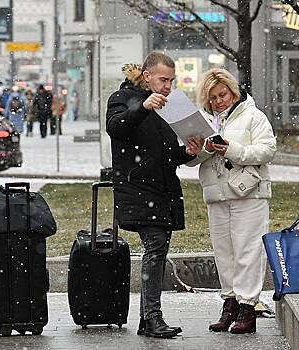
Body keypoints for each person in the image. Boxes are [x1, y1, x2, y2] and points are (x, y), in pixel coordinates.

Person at [106, 52, 197, 338]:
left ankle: (148, 319)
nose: (168, 86)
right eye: (163, 79)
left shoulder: (165, 108)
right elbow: (116, 127)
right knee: (155, 247)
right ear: (147, 76)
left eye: (171, 80)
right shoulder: (123, 98)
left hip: (162, 191)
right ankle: (152, 316)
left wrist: (189, 151)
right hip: (137, 189)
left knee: (158, 249)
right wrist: (144, 107)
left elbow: (167, 154)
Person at [185, 68, 277, 334]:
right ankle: (230, 303)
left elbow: (267, 150)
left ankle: (248, 307)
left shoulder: (253, 116)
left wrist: (232, 149)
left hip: (248, 192)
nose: (218, 101)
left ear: (233, 91)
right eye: (212, 97)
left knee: (248, 250)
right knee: (224, 252)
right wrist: (201, 149)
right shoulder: (204, 119)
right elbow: (192, 159)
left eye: (222, 94)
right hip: (216, 194)